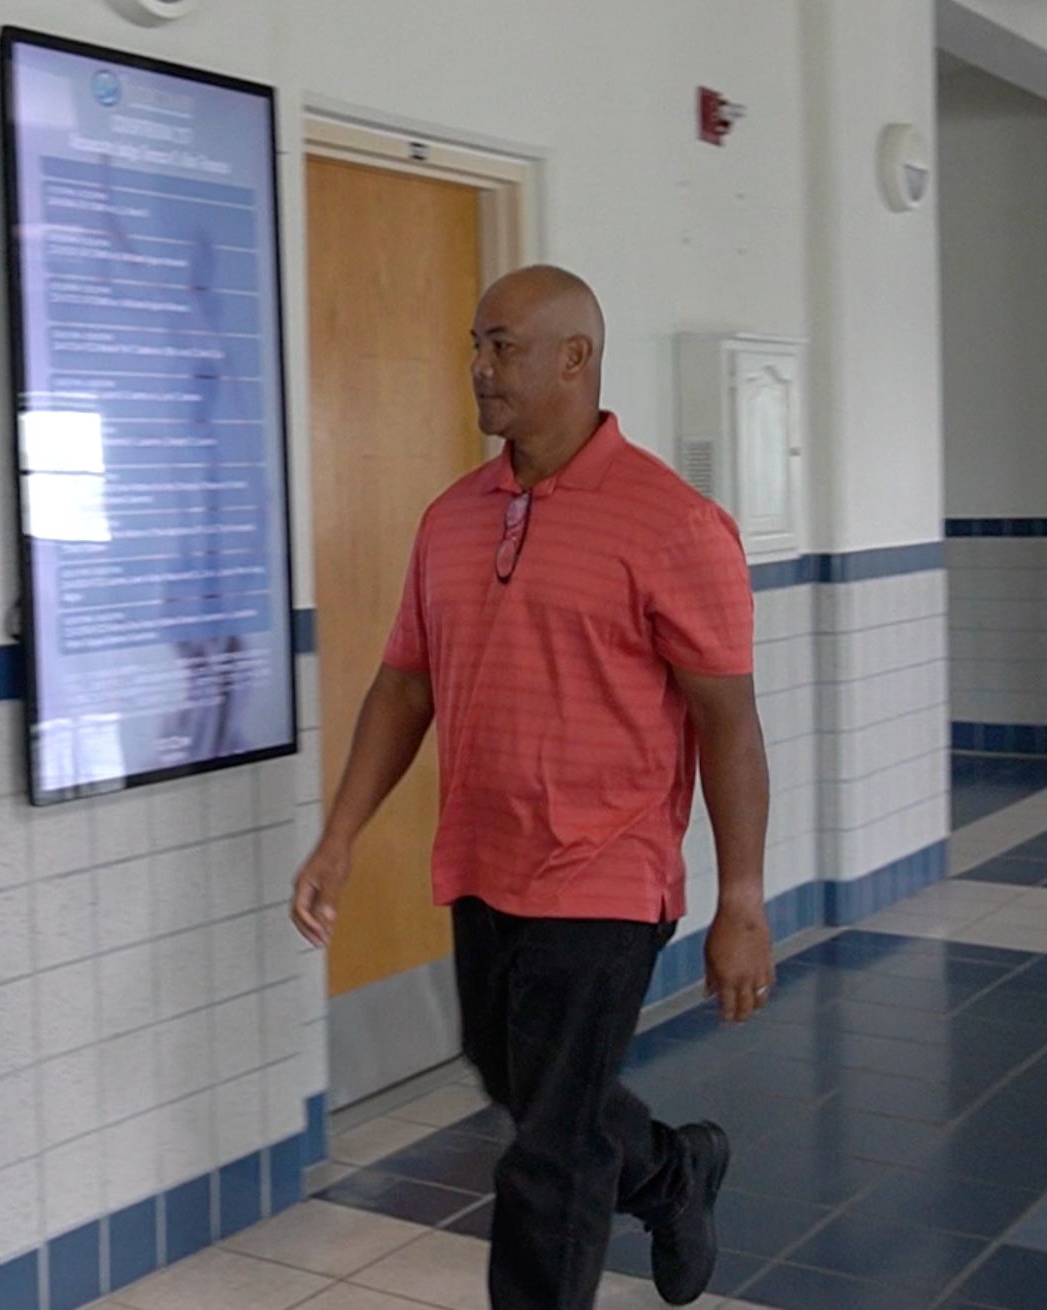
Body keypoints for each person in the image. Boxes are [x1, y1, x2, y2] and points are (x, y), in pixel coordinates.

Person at [290, 265, 775, 1310]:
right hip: (483, 858)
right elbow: (403, 683)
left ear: (574, 357)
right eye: (474, 343)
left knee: (548, 1155)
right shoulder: (452, 516)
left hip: (604, 867)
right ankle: (671, 1170)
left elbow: (727, 722)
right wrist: (339, 835)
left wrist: (741, 898)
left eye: (499, 345)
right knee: (517, 1080)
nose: (477, 367)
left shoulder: (673, 523)